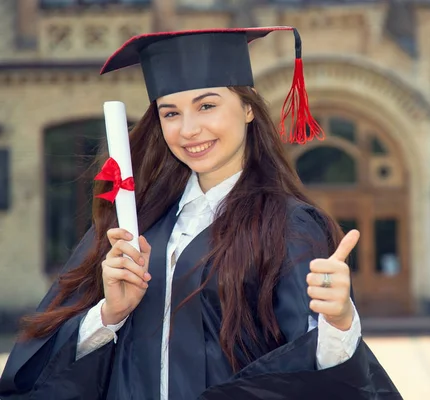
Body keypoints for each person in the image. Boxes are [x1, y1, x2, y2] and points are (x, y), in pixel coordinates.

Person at [0, 26, 401, 399]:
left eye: (206, 105)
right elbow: (43, 365)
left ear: (247, 108)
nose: (188, 130)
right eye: (170, 113)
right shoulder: (134, 225)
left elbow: (317, 372)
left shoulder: (287, 226)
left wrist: (339, 321)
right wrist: (108, 315)